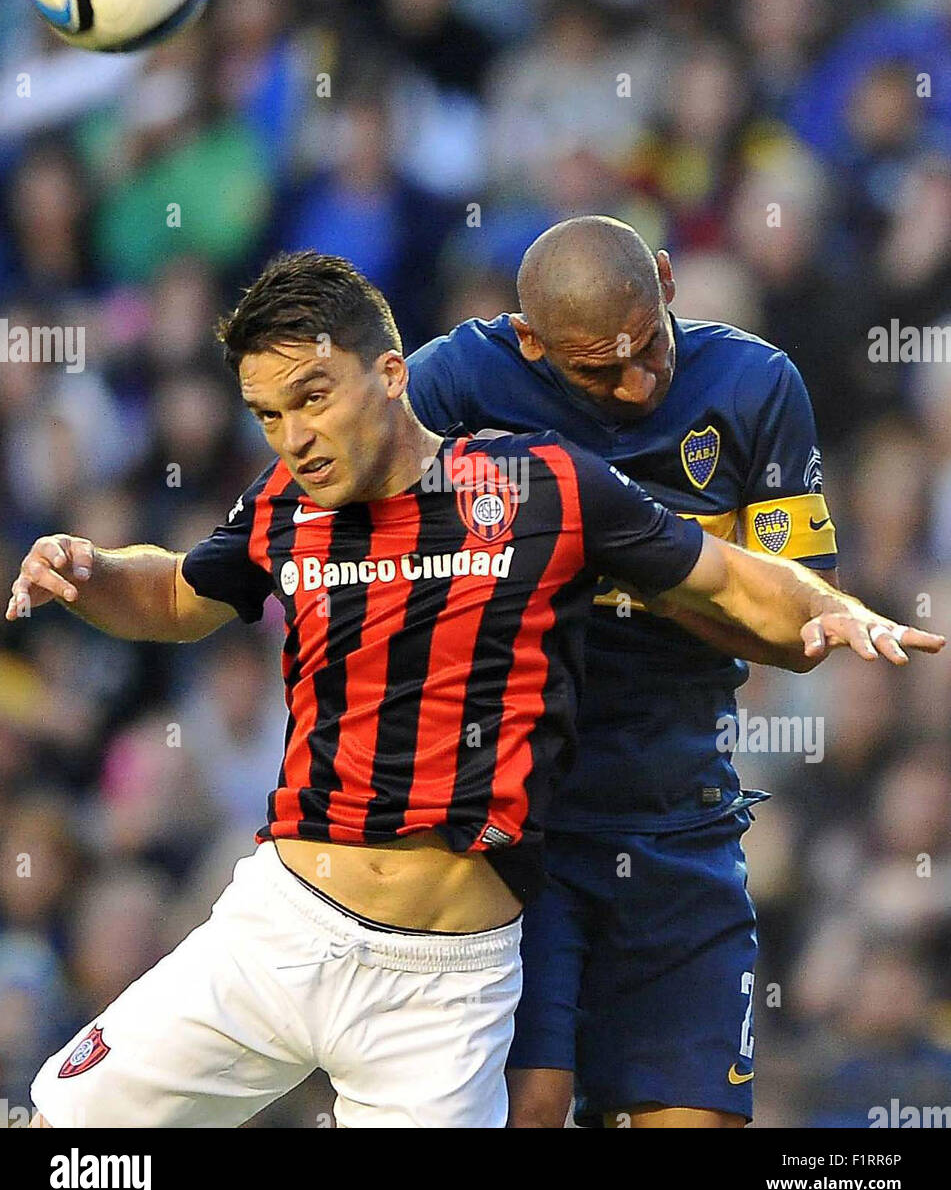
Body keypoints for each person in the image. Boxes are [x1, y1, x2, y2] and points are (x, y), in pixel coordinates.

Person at [8, 251, 941, 1130]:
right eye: (268, 415)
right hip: (280, 929)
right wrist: (90, 574)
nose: (294, 437)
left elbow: (729, 579)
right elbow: (177, 592)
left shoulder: (542, 489)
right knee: (63, 1131)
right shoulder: (288, 505)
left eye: (312, 399)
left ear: (392, 374)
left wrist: (831, 606)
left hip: (447, 989)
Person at [407, 215, 853, 1127]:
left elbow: (806, 627)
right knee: (524, 1108)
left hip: (677, 815)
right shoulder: (455, 382)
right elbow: (326, 515)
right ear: (530, 342)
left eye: (648, 345)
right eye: (597, 371)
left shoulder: (756, 385)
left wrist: (620, 555)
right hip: (516, 828)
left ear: (664, 280)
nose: (638, 382)